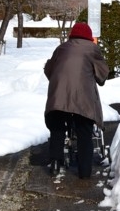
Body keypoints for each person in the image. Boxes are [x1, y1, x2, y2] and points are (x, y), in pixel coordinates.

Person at [44, 22, 108, 179]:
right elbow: (102, 75)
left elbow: (49, 70)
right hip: (82, 98)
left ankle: (55, 164)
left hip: (58, 96)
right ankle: (84, 172)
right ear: (89, 36)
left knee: (57, 128)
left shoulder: (61, 48)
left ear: (72, 34)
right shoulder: (92, 49)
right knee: (84, 132)